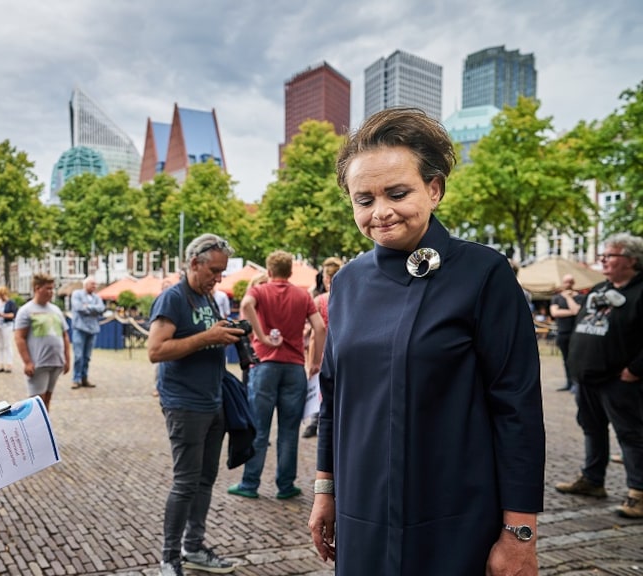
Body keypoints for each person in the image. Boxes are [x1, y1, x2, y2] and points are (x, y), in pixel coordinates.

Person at [307, 108, 545, 575]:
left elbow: (516, 408)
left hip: (455, 517)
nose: (380, 212)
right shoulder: (349, 282)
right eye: (364, 199)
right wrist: (324, 493)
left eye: (397, 193)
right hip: (363, 515)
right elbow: (333, 398)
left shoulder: (485, 273)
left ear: (433, 189)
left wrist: (520, 535)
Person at [148, 233, 245, 576]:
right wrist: (209, 337)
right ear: (194, 263)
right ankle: (169, 558)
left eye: (221, 272)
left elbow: (205, 338)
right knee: (185, 482)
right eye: (214, 271)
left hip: (212, 400)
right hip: (185, 404)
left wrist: (226, 333)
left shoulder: (205, 298)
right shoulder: (172, 299)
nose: (218, 279)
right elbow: (156, 351)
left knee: (205, 479)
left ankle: (194, 547)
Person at [227, 250, 324, 501]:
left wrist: (259, 336)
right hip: (294, 368)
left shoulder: (259, 291)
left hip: (264, 366)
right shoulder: (303, 295)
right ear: (290, 271)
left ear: (269, 272)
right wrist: (315, 361)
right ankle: (285, 485)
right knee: (289, 431)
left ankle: (250, 483)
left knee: (259, 428)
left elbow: (246, 306)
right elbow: (320, 327)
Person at [558, 233, 643, 518]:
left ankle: (638, 492)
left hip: (620, 380)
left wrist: (635, 370)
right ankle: (593, 480)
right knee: (592, 429)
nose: (603, 260)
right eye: (603, 255)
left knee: (630, 434)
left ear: (631, 260)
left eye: (610, 255)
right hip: (589, 378)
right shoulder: (598, 288)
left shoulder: (640, 292)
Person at [14, 273, 70, 411]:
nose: (51, 292)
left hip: (56, 362)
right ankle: (35, 431)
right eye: (48, 288)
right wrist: (27, 362)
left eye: (52, 289)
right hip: (39, 364)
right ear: (37, 288)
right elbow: (19, 337)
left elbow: (64, 335)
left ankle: (44, 431)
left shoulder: (56, 310)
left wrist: (67, 359)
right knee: (36, 405)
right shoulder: (26, 310)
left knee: (47, 401)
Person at [302, 257, 343, 439]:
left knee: (322, 391)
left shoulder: (319, 300)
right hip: (345, 351)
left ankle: (317, 424)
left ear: (326, 278)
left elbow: (314, 333)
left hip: (325, 350)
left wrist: (312, 361)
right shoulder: (351, 295)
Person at [70, 277, 105, 389]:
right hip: (79, 329)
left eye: (95, 284)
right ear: (85, 285)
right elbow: (79, 308)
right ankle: (76, 379)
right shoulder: (77, 294)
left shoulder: (97, 297)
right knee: (78, 356)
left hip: (92, 330)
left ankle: (84, 378)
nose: (94, 286)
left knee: (87, 356)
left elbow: (101, 309)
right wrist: (93, 310)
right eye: (92, 284)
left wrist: (88, 307)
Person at [550, 274, 583, 392]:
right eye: (565, 282)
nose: (567, 284)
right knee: (566, 359)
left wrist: (569, 298)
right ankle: (569, 383)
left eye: (570, 282)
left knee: (576, 359)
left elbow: (578, 311)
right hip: (562, 333)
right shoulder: (557, 298)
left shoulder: (580, 297)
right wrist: (572, 311)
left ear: (573, 283)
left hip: (576, 334)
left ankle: (577, 383)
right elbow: (555, 313)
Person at [0, 286, 17, 373]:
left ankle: (9, 364)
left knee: (7, 345)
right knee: (0, 345)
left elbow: (13, 315)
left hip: (7, 325)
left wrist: (2, 315)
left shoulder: (10, 303)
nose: (0, 297)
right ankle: (1, 364)